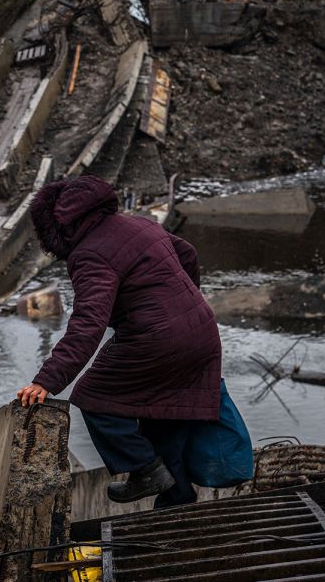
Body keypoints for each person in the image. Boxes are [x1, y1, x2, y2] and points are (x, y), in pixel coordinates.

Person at [15, 176, 222, 508]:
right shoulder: (139, 224)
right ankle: (177, 507)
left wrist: (47, 380)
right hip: (202, 333)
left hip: (157, 341)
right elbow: (188, 252)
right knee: (164, 419)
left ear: (58, 229)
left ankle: (144, 469)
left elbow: (88, 323)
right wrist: (184, 302)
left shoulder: (88, 254)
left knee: (94, 397)